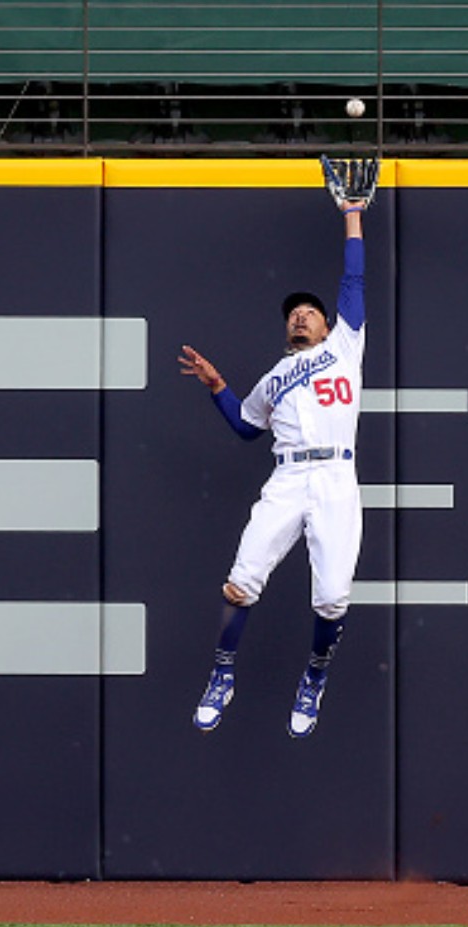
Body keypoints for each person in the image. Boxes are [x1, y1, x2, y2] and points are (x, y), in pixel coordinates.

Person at [179, 191, 368, 738]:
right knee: (240, 583)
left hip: (335, 477)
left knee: (332, 597)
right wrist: (217, 387)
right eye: (293, 314)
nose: (301, 315)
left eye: (310, 312)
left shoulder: (346, 346)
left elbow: (352, 283)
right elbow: (245, 427)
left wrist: (352, 214)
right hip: (288, 477)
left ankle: (314, 676)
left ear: (328, 326)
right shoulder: (270, 381)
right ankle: (222, 673)